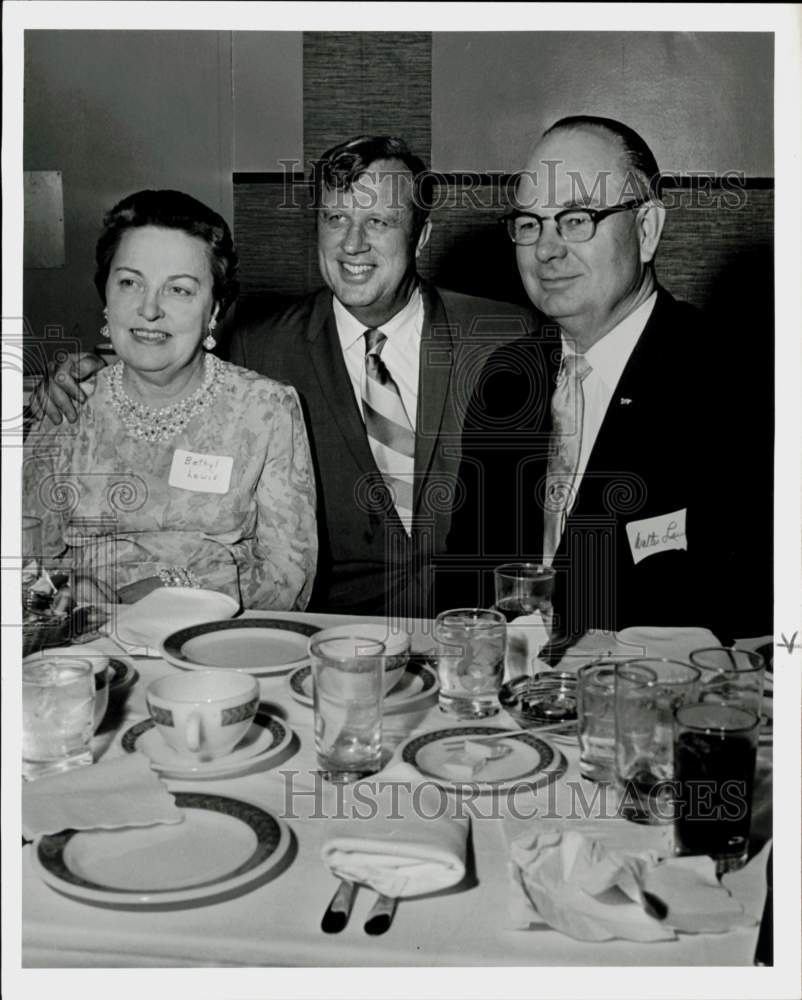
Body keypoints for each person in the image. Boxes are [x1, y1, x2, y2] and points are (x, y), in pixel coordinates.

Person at [442, 116, 772, 642]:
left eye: (576, 219)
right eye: (530, 224)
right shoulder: (507, 377)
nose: (546, 250)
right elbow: (462, 583)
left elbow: (755, 604)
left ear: (646, 230)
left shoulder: (736, 382)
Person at [24, 189, 317, 609]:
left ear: (214, 309)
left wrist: (151, 596)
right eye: (129, 282)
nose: (148, 309)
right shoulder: (67, 404)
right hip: (83, 647)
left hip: (220, 645)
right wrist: (78, 604)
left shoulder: (266, 410)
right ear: (105, 297)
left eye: (178, 290)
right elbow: (24, 564)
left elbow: (289, 580)